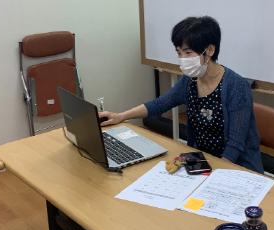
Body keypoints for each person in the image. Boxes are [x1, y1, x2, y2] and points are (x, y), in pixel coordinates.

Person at [99, 16, 264, 173]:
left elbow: (235, 145)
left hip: (237, 168)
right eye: (179, 53)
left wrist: (214, 175)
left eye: (188, 52)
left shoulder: (236, 86)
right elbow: (159, 104)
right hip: (201, 162)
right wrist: (121, 116)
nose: (182, 59)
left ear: (210, 50)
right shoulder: (189, 81)